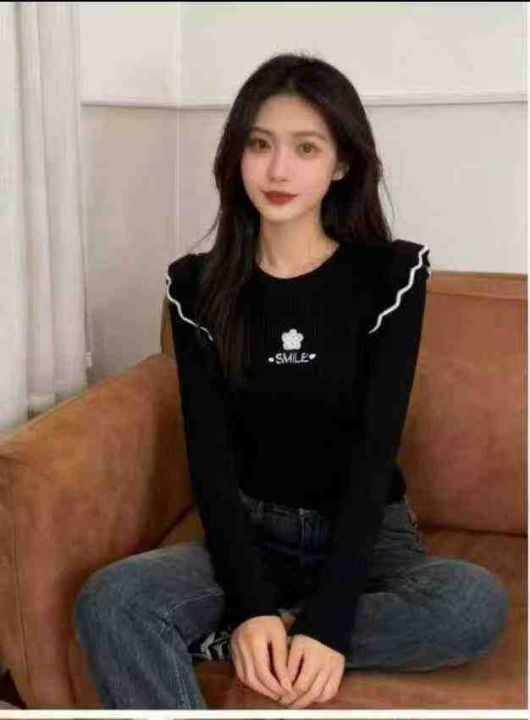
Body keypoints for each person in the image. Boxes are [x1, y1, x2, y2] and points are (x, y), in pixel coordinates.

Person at [73, 51, 511, 710]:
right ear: (236, 157)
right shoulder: (194, 285)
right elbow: (210, 463)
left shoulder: (390, 276)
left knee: (473, 604)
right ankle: (256, 629)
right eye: (260, 145)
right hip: (251, 534)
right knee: (111, 601)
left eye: (306, 148)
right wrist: (250, 601)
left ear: (341, 164)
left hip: (368, 535)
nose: (278, 169)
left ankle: (259, 637)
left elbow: (374, 455)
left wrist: (327, 626)